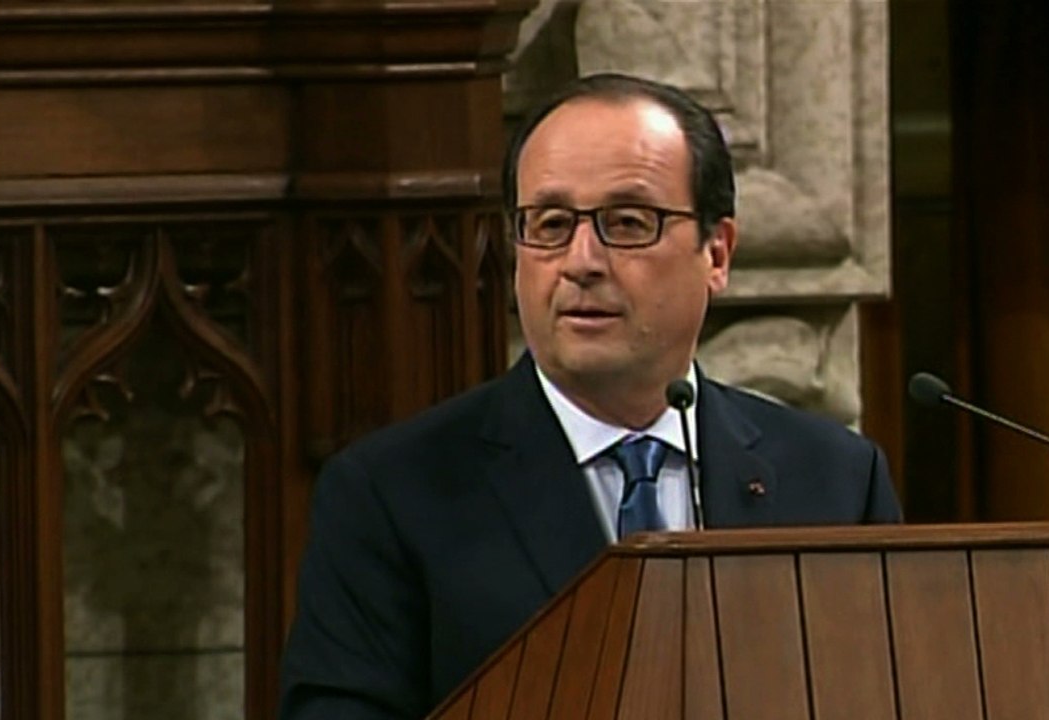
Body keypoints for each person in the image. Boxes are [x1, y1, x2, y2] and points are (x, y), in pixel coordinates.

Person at [278, 72, 902, 719]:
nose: (581, 261)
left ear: (717, 252)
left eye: (627, 222)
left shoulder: (836, 483)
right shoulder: (393, 493)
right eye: (549, 224)